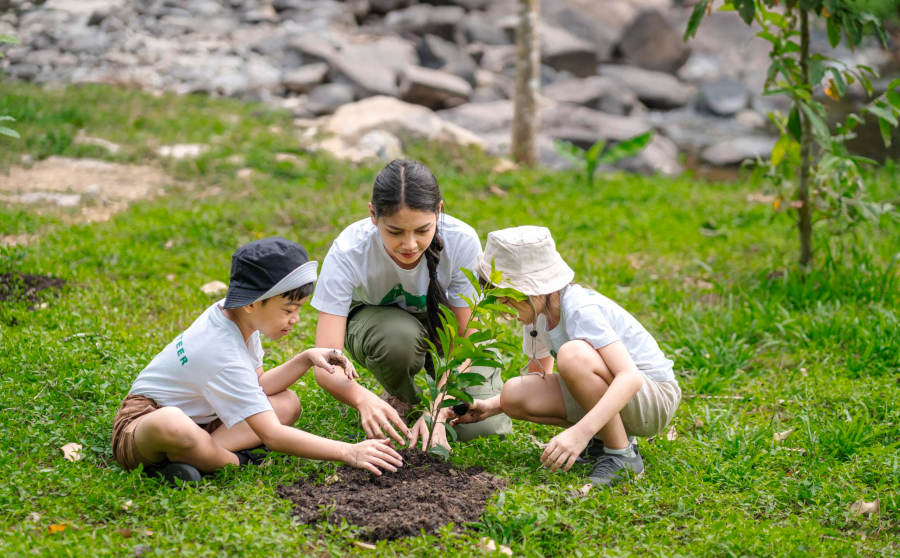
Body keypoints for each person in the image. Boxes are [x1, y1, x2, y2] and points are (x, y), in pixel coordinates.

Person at [111, 236, 403, 483]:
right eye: (288, 310)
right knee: (172, 423)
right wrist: (349, 451)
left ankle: (192, 461)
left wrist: (306, 359)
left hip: (205, 419)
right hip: (142, 426)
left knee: (287, 404)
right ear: (252, 303)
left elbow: (260, 385)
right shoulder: (219, 349)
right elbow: (273, 436)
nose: (295, 320)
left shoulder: (240, 319)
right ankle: (234, 462)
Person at [453, 226, 681, 486]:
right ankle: (602, 442)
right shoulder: (537, 314)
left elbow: (630, 377)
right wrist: (491, 406)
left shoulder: (579, 308)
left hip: (655, 397)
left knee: (573, 356)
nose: (503, 307)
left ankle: (622, 456)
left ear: (533, 289)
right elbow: (538, 380)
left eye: (507, 298)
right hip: (623, 396)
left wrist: (580, 433)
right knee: (514, 394)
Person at [311, 159, 511, 451]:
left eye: (422, 230)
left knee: (481, 429)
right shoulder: (349, 251)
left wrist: (437, 408)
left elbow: (468, 336)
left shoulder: (461, 241)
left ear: (439, 211)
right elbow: (324, 361)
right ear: (373, 215)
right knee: (398, 338)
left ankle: (426, 402)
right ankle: (403, 396)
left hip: (448, 333)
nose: (410, 244)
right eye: (395, 232)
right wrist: (361, 398)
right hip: (383, 328)